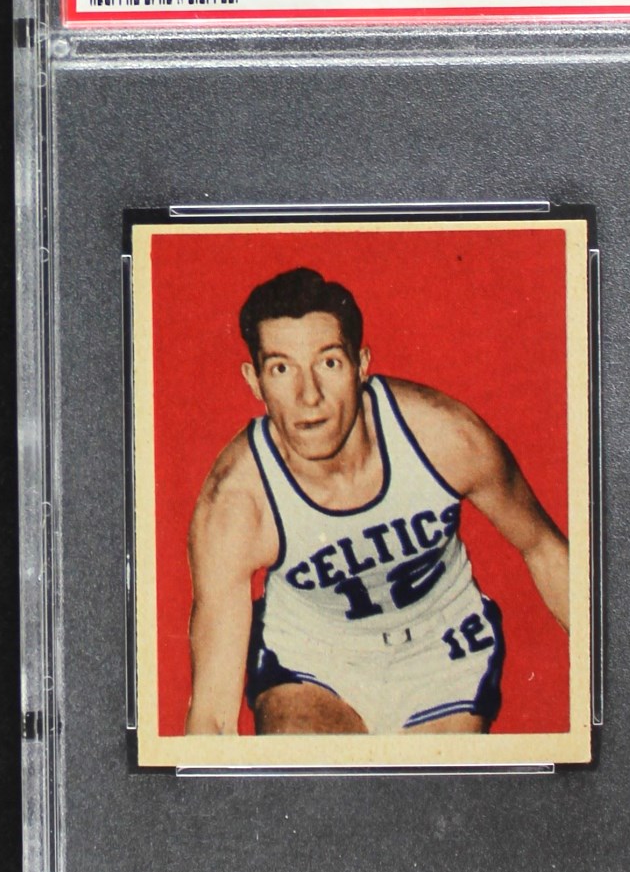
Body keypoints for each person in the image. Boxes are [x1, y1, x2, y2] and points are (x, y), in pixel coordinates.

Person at [185, 267, 568, 737]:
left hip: (440, 647)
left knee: (430, 784)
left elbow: (544, 548)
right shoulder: (237, 501)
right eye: (281, 369)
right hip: (312, 654)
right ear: (255, 381)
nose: (309, 396)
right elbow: (212, 716)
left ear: (361, 364)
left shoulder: (444, 438)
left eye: (329, 363)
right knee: (309, 771)